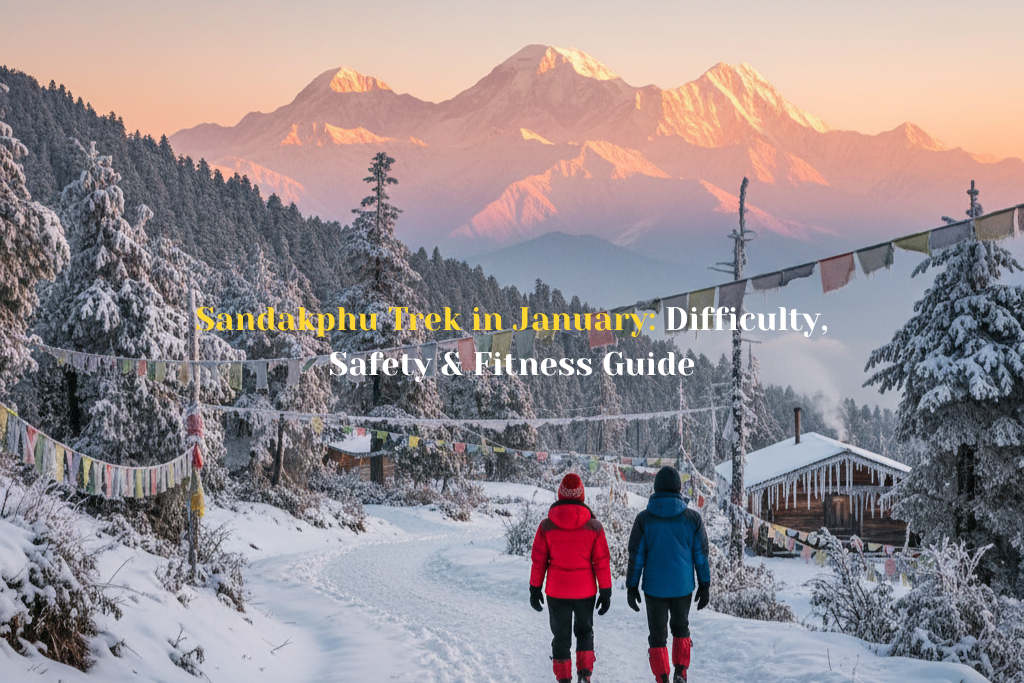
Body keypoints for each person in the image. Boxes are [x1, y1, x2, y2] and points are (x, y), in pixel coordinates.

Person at [626, 466, 711, 683]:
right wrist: (704, 584)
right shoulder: (692, 518)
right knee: (681, 627)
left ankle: (662, 676)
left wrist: (632, 586)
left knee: (657, 634)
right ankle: (681, 672)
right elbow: (700, 555)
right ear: (678, 489)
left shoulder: (644, 519)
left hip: (654, 588)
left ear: (656, 489)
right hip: (683, 587)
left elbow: (637, 556)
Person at [529, 472, 612, 683]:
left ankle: (564, 679)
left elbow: (539, 561)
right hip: (585, 592)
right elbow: (601, 561)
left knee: (560, 637)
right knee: (584, 632)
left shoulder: (547, 526)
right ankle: (584, 674)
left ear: (560, 494)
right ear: (582, 495)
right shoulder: (594, 527)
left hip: (556, 592)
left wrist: (534, 589)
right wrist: (606, 591)